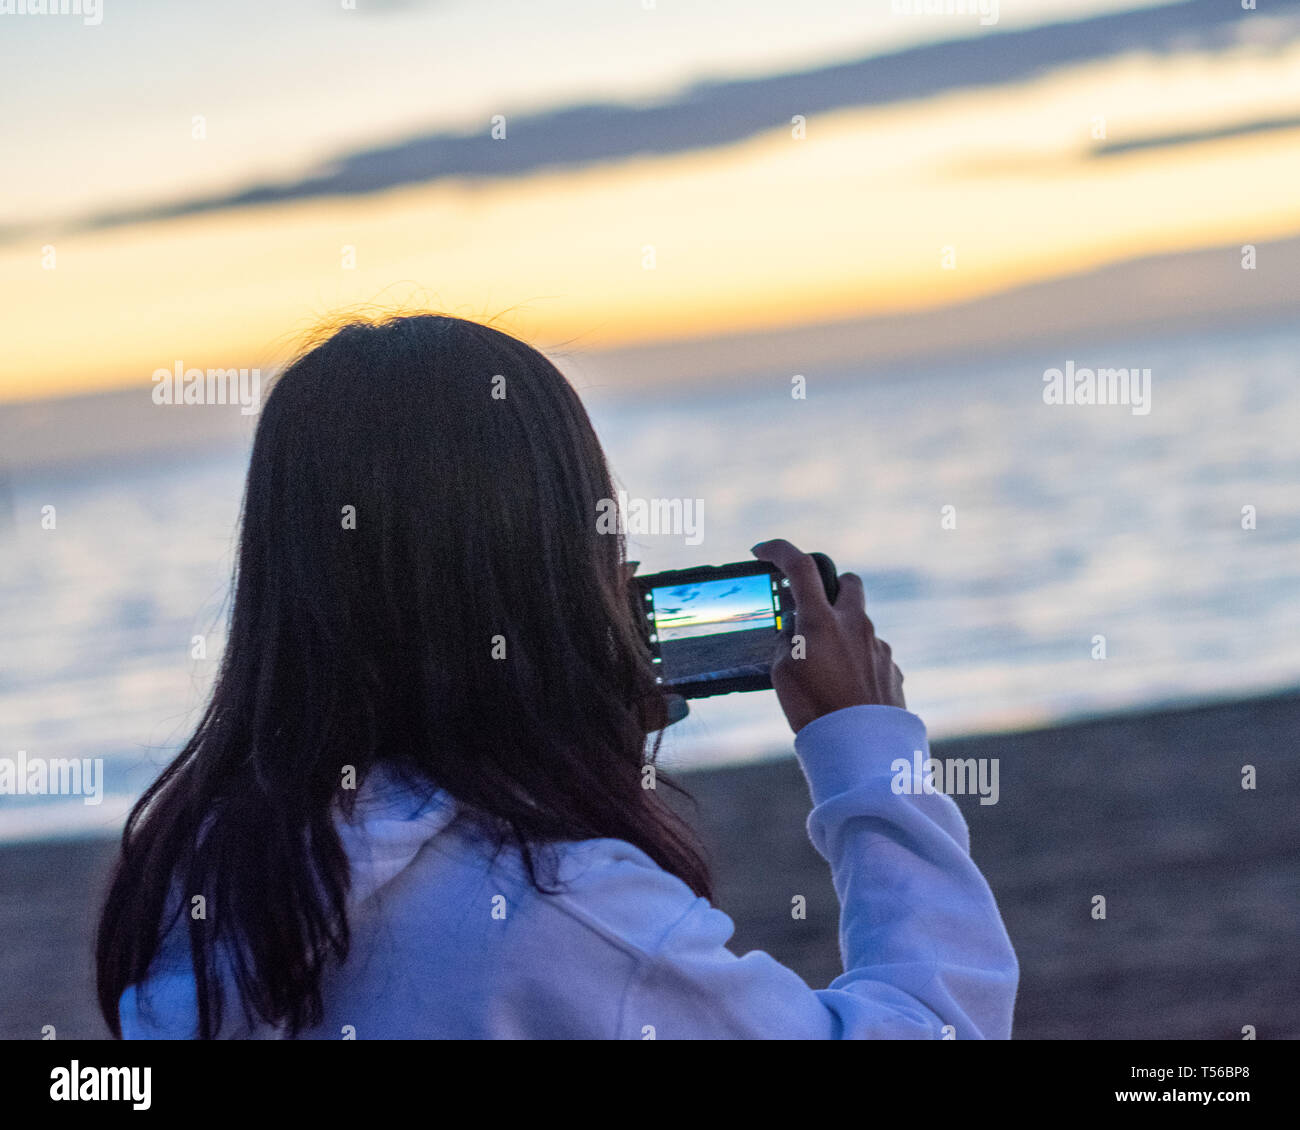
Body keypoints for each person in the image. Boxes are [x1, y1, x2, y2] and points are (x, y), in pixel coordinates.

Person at [97, 314, 1018, 1039]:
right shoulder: (571, 915)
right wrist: (868, 758)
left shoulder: (209, 872)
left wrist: (570, 738)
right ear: (560, 563)